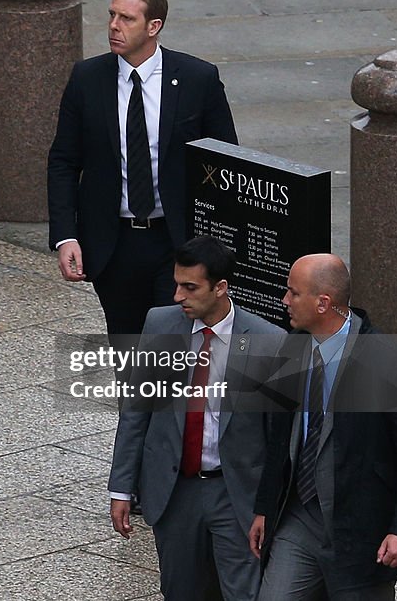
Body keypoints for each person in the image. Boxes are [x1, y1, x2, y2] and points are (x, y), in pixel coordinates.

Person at [47, 0, 238, 338]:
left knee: (170, 350)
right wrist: (65, 235)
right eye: (112, 15)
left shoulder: (197, 79)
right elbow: (63, 161)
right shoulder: (87, 79)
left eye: (127, 18)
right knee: (127, 349)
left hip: (174, 241)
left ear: (154, 27)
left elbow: (225, 159)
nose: (114, 26)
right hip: (113, 244)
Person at [249, 254, 397, 600]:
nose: (284, 301)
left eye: (293, 293)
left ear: (323, 303)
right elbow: (281, 437)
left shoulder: (387, 361)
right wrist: (265, 506)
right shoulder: (294, 348)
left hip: (360, 533)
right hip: (298, 519)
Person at [108, 236, 284, 600]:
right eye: (176, 284)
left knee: (243, 593)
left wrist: (268, 506)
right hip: (175, 491)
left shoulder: (267, 340)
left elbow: (277, 436)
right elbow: (137, 409)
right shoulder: (160, 324)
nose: (177, 296)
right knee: (180, 590)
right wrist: (122, 488)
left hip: (235, 492)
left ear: (220, 288)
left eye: (190, 287)